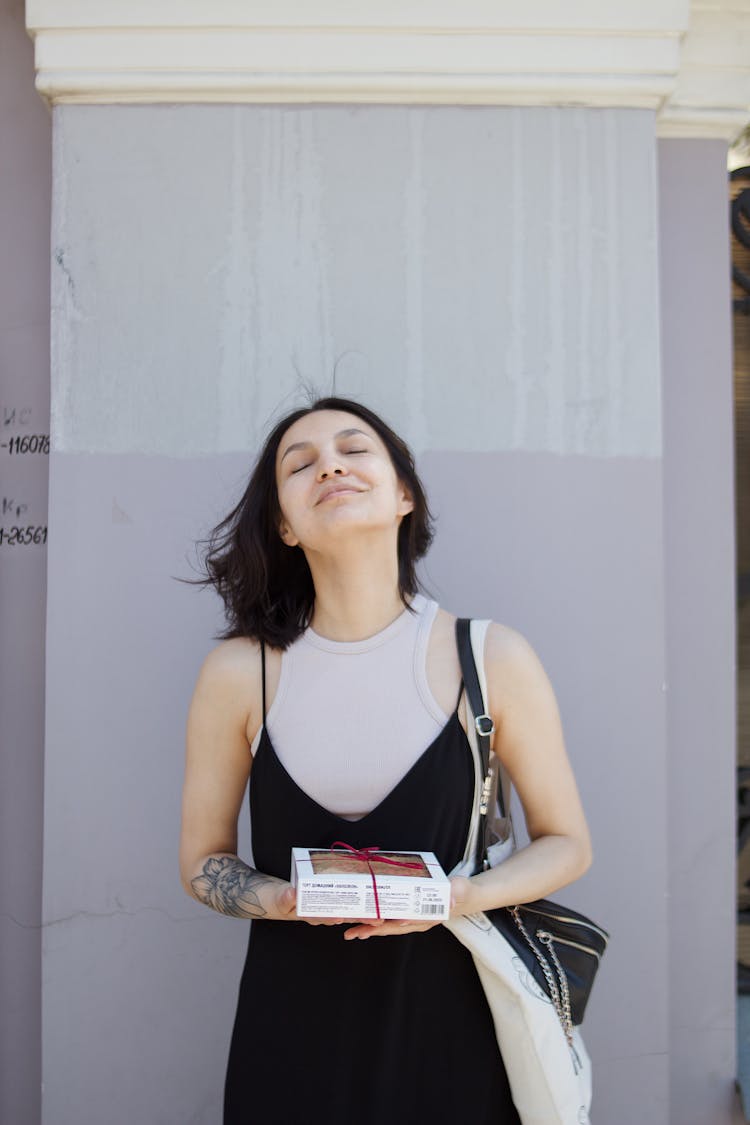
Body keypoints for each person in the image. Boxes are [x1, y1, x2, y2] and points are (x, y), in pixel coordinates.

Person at [179, 395, 593, 1125]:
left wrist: (456, 898)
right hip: (290, 1037)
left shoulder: (491, 656)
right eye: (299, 463)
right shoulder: (243, 672)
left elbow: (568, 843)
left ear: (404, 493)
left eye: (353, 448)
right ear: (283, 523)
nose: (329, 464)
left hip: (458, 1033)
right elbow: (202, 861)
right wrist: (279, 898)